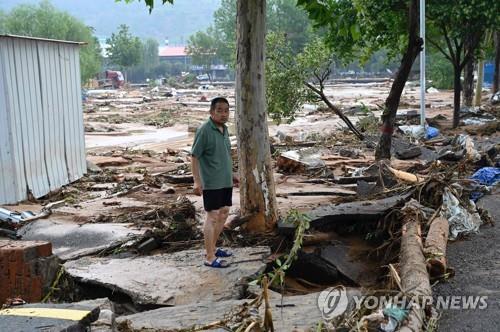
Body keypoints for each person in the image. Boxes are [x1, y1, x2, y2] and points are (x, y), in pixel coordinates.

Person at [191, 97, 238, 268]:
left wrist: (232, 174)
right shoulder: (204, 130)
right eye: (219, 110)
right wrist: (197, 181)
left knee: (224, 212)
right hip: (211, 182)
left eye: (226, 110)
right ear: (211, 112)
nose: (224, 114)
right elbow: (194, 156)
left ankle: (213, 247)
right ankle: (209, 257)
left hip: (225, 180)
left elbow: (224, 154)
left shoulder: (224, 130)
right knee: (212, 216)